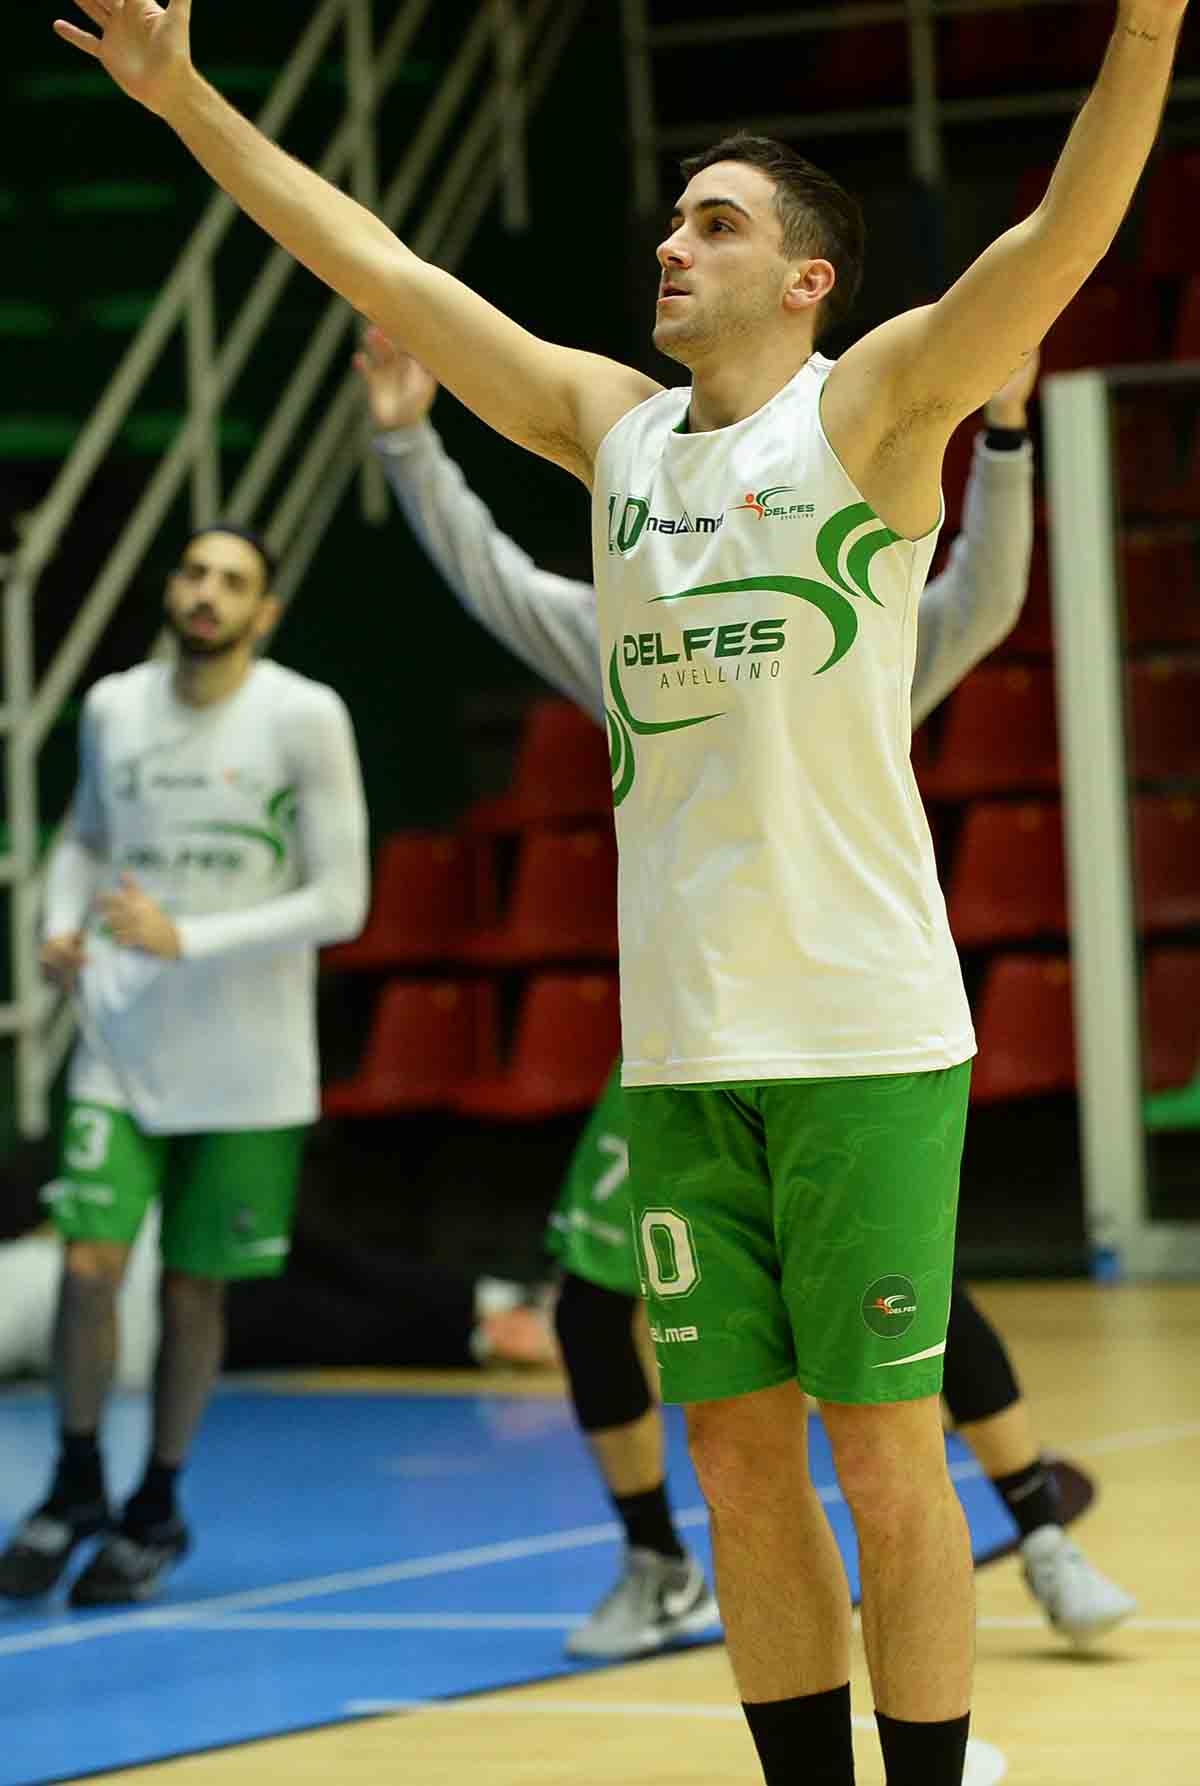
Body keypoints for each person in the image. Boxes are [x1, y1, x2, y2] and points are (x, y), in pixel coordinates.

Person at [54, 5, 1186, 1777]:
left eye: (715, 223)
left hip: (862, 1034)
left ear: (808, 279)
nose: (672, 242)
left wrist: (1147, 26)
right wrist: (186, 96)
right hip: (681, 1047)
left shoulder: (871, 409)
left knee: (884, 1451)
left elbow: (1060, 239)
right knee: (732, 1451)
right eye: (670, 218)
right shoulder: (615, 434)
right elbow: (385, 267)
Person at [358, 334, 1135, 1657]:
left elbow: (986, 597)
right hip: (688, 1035)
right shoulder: (640, 626)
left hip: (843, 1022)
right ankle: (657, 1562)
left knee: (912, 1313)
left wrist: (1003, 439)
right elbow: (496, 582)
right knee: (600, 1302)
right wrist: (405, 442)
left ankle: (1038, 1531)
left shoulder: (862, 617)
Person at [0, 523, 370, 1607]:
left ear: (264, 613)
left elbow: (342, 901)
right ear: (171, 590)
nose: (208, 592)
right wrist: (60, 923)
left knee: (192, 1286)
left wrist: (187, 938)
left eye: (233, 581)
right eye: (195, 572)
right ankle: (75, 1483)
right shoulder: (114, 706)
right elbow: (84, 837)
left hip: (250, 1061)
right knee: (88, 1267)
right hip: (121, 1039)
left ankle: (156, 1503)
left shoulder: (304, 716)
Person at [0, 1211, 556, 1387]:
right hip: (145, 1329)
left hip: (148, 1253)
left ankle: (491, 1309)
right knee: (329, 1323)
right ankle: (484, 1333)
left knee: (326, 1260)